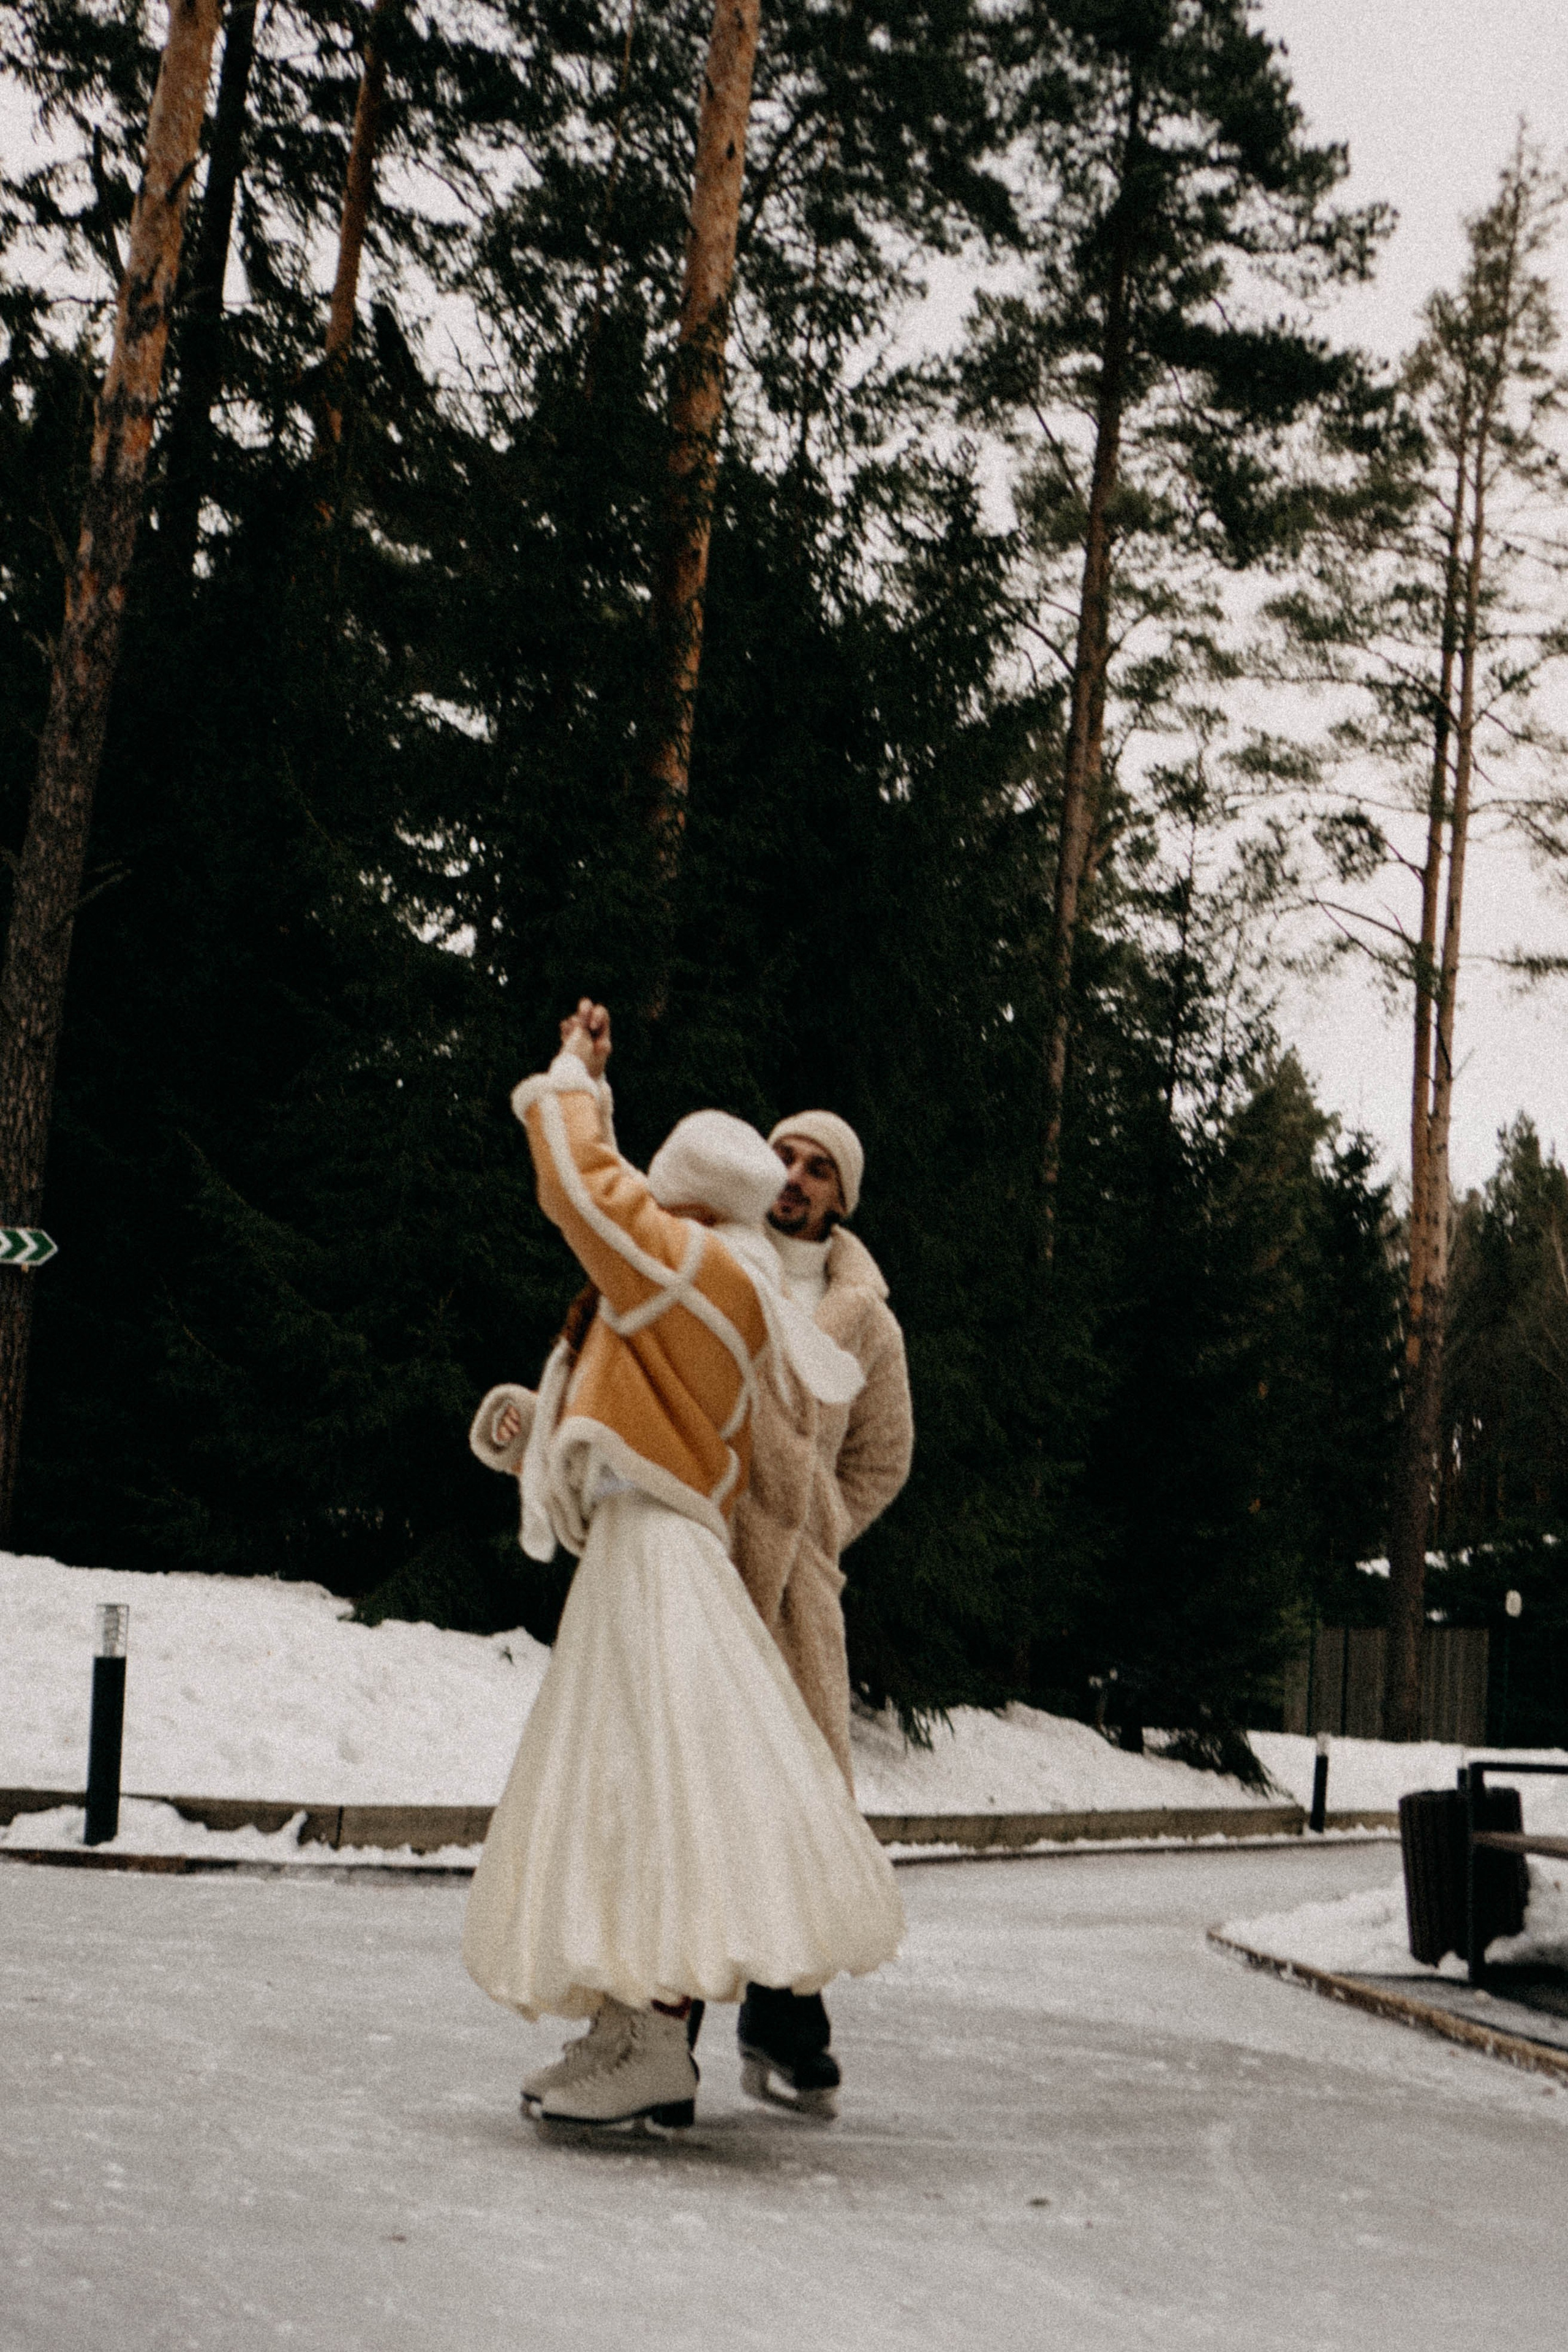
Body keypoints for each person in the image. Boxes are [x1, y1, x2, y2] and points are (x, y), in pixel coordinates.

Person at [463, 1002, 904, 2135]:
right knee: (632, 1786)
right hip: (655, 1547)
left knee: (659, 1790)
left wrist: (577, 1075)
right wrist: (540, 1429)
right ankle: (631, 2031)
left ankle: (660, 2041)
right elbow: (640, 1405)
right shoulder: (719, 1274)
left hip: (667, 1559)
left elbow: (577, 1186)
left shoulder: (697, 1267)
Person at [726, 1110, 914, 2113]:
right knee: (696, 1782)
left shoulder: (868, 1321)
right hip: (711, 1559)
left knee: (798, 1796)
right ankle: (657, 2027)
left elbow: (884, 1457)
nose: (794, 1176)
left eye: (817, 1168)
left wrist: (816, 1522)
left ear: (843, 1197)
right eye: (783, 1157)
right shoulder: (719, 1260)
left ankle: (787, 2015)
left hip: (798, 1592)